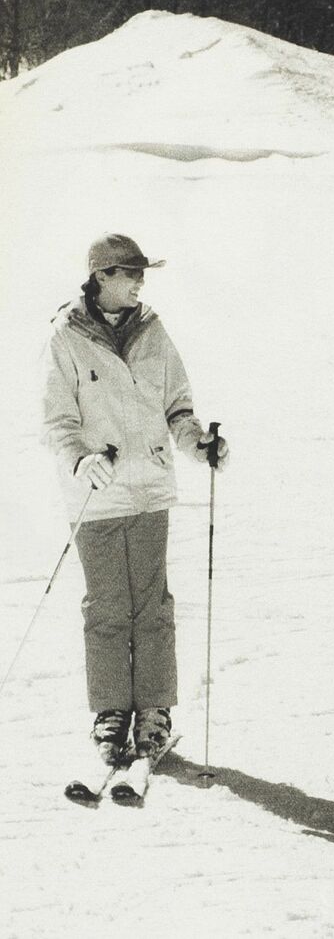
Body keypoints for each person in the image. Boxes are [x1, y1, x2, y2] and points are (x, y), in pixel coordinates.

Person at [42, 233, 229, 765]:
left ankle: (154, 710)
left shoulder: (152, 330)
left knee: (152, 606)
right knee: (106, 608)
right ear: (101, 276)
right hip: (97, 496)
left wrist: (198, 442)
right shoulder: (66, 337)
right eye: (130, 273)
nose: (140, 283)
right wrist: (80, 459)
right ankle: (111, 711)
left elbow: (178, 406)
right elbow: (57, 421)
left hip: (148, 488)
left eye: (142, 273)